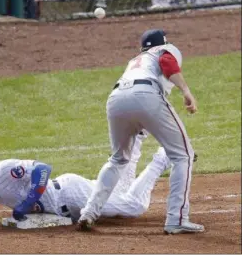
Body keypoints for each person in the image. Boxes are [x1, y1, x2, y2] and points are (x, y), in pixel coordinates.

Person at [77, 29, 204, 234]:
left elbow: (132, 102)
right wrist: (186, 91)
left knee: (118, 160)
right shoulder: (163, 50)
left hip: (116, 98)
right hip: (145, 94)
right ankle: (176, 219)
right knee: (183, 155)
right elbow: (168, 64)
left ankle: (89, 212)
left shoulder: (136, 60)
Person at [0, 138, 177, 230]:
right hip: (67, 205)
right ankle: (135, 138)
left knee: (133, 205)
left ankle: (162, 159)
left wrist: (28, 203)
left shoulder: (5, 170)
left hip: (70, 193)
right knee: (121, 186)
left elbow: (43, 169)